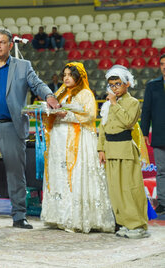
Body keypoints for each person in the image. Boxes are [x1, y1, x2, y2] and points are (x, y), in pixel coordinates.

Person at [0, 27, 59, 229]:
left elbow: (37, 84)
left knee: (16, 173)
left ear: (10, 45)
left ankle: (19, 216)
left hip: (13, 126)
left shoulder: (23, 66)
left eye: (2, 42)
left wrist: (49, 95)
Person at [40, 62, 115, 233]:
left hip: (79, 141)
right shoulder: (60, 92)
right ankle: (59, 217)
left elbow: (89, 115)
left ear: (78, 77)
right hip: (60, 141)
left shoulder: (85, 93)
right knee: (60, 176)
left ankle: (78, 218)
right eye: (64, 74)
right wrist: (43, 112)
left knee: (76, 176)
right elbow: (53, 110)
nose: (66, 78)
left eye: (69, 75)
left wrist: (66, 114)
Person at [98, 65, 149, 238]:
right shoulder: (107, 105)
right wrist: (101, 149)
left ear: (127, 84)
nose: (114, 88)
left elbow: (128, 122)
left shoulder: (132, 102)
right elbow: (103, 127)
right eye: (111, 85)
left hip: (125, 149)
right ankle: (124, 223)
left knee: (130, 188)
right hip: (111, 150)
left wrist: (113, 104)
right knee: (115, 190)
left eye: (117, 84)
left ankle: (138, 225)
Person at [141, 54, 165, 214]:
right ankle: (163, 203)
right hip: (159, 135)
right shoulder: (152, 85)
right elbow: (146, 111)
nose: (164, 66)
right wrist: (143, 132)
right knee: (162, 170)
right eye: (162, 64)